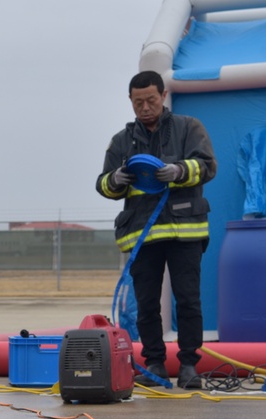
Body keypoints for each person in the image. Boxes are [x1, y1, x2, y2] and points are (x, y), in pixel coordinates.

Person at [96, 71, 217, 390]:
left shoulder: (188, 127)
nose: (145, 107)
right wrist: (115, 180)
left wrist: (179, 170)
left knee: (188, 300)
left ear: (163, 96)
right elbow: (104, 184)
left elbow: (207, 166)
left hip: (184, 232)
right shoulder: (122, 141)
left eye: (151, 100)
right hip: (142, 237)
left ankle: (189, 365)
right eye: (138, 102)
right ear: (131, 102)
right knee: (146, 303)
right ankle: (154, 364)